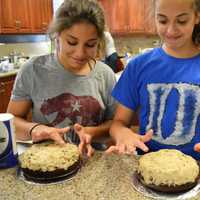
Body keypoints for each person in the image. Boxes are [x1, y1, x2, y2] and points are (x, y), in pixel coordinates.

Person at [7, 0, 116, 157]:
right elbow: (12, 121)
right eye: (71, 42)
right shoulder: (33, 70)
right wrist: (34, 129)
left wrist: (90, 132)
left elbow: (115, 124)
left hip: (93, 160)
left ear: (99, 42)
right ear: (57, 36)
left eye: (90, 45)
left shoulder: (105, 75)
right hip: (46, 161)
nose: (80, 53)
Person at [106, 0, 200, 159]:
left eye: (181, 21)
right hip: (146, 167)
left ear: (197, 16)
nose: (171, 30)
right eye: (162, 20)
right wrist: (123, 134)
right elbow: (118, 123)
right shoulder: (138, 66)